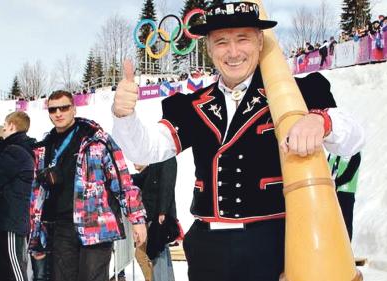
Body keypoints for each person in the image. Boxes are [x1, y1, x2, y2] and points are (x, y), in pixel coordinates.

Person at [111, 2, 364, 281]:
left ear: (259, 42)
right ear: (208, 48)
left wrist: (322, 122)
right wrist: (125, 116)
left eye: (242, 39)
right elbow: (146, 149)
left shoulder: (296, 93)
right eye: (221, 42)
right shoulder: (193, 105)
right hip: (208, 252)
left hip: (273, 248)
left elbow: (353, 139)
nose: (232, 52)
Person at [35, 90, 147, 281]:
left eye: (64, 107)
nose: (58, 113)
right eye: (53, 109)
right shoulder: (45, 147)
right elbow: (37, 197)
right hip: (61, 226)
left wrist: (137, 219)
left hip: (96, 224)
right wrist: (37, 237)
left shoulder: (96, 139)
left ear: (74, 109)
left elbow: (122, 180)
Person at [0, 111, 36, 281]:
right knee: (1, 267)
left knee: (13, 264)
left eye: (4, 127)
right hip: (6, 219)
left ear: (11, 126)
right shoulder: (16, 149)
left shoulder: (15, 151)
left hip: (11, 220)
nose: (2, 131)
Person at [132, 158, 177, 281]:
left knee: (157, 254)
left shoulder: (166, 158)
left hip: (159, 216)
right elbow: (140, 179)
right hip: (155, 216)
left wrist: (162, 212)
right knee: (159, 253)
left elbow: (167, 184)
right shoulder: (153, 165)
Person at [328, 152, 361, 240]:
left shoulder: (355, 154)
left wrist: (335, 183)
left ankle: (346, 250)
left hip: (346, 194)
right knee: (331, 221)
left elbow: (349, 174)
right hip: (331, 192)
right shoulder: (333, 153)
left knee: (345, 222)